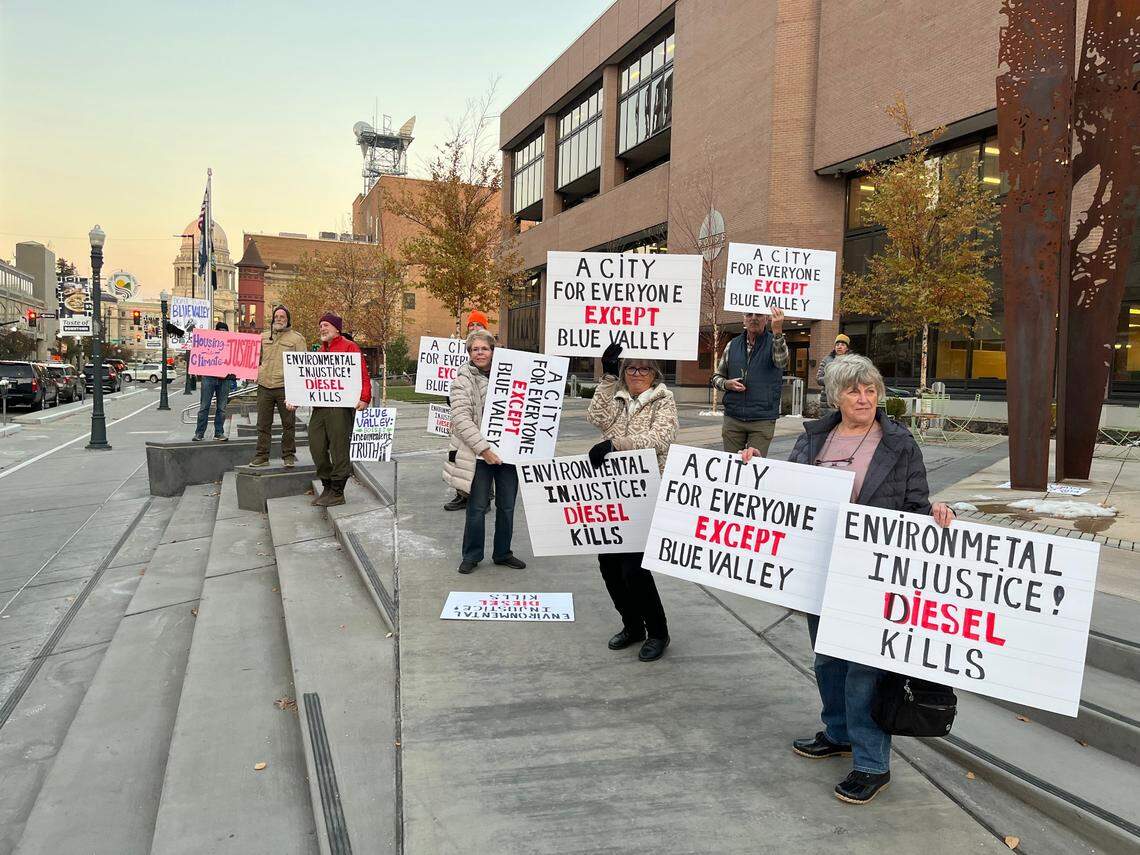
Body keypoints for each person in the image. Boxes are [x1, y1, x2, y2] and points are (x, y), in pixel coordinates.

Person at [741, 355, 955, 805]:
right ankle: (837, 732)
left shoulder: (899, 443)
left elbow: (917, 502)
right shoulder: (816, 437)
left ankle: (872, 763)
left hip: (872, 573)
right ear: (836, 396)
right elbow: (787, 491)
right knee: (827, 661)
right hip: (820, 567)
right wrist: (755, 466)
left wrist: (936, 513)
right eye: (855, 390)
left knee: (865, 670)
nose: (864, 398)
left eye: (872, 390)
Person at [586, 343, 679, 662]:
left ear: (654, 373)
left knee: (634, 568)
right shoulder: (617, 394)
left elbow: (660, 438)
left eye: (644, 368)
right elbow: (595, 417)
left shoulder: (664, 400)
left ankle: (658, 632)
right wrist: (608, 376)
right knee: (608, 563)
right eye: (630, 368)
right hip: (611, 491)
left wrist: (617, 444)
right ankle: (631, 625)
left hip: (645, 491)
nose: (637, 374)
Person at [451, 329, 525, 574]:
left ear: (493, 351)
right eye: (475, 349)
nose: (479, 353)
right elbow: (460, 418)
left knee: (507, 506)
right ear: (469, 353)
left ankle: (503, 553)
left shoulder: (514, 375)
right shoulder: (462, 379)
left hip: (508, 453)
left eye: (484, 348)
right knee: (477, 506)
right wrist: (484, 449)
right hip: (478, 455)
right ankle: (471, 555)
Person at [310, 313, 372, 507]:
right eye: (320, 325)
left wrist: (364, 397)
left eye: (326, 325)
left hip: (340, 406)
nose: (322, 328)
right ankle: (327, 486)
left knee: (338, 447)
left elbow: (363, 374)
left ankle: (337, 491)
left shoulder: (349, 347)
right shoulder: (320, 352)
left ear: (337, 328)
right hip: (320, 407)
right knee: (316, 445)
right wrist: (295, 398)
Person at [712, 308, 788, 455]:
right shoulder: (732, 345)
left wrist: (778, 331)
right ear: (744, 319)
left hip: (762, 419)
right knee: (732, 467)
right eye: (749, 314)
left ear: (766, 319)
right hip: (733, 418)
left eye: (758, 314)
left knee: (753, 467)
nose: (753, 318)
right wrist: (727, 384)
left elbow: (782, 362)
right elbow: (716, 378)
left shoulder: (775, 342)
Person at [443, 309, 491, 512]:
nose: (474, 328)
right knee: (461, 458)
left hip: (488, 420)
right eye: (471, 325)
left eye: (478, 325)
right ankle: (462, 494)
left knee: (487, 459)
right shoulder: (463, 364)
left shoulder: (498, 359)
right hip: (466, 418)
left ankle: (485, 496)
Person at [249, 305, 307, 468]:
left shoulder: (297, 339)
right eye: (277, 316)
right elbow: (253, 359)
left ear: (288, 320)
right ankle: (262, 456)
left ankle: (288, 456)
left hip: (286, 388)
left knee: (288, 424)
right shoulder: (262, 337)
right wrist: (254, 372)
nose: (279, 319)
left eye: (282, 316)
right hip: (264, 386)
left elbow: (302, 365)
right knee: (262, 424)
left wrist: (298, 391)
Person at [192, 321, 234, 442]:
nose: (222, 334)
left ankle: (219, 433)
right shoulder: (208, 343)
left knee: (222, 408)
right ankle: (199, 433)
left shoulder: (230, 345)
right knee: (204, 406)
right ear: (215, 332)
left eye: (224, 332)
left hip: (224, 379)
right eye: (220, 331)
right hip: (209, 377)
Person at [816, 333, 853, 412]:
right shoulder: (826, 360)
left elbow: (854, 379)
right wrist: (832, 379)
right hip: (827, 400)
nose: (839, 346)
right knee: (827, 423)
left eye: (842, 344)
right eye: (837, 344)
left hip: (845, 398)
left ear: (847, 348)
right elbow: (819, 379)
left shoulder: (852, 361)